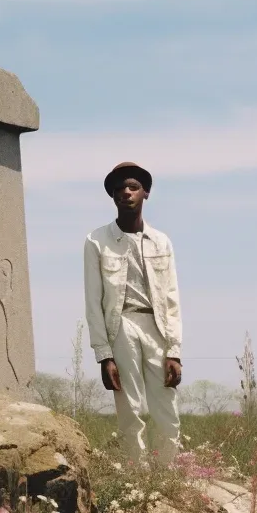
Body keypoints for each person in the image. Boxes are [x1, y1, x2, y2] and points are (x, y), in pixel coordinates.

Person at [83, 161, 182, 466]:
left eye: (133, 187)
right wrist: (104, 355)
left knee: (166, 409)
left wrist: (175, 351)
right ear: (112, 196)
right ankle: (135, 480)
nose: (126, 193)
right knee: (131, 408)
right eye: (119, 189)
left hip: (157, 327)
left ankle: (169, 477)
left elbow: (171, 297)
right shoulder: (96, 241)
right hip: (121, 324)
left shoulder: (161, 241)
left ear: (146, 193)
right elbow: (93, 301)